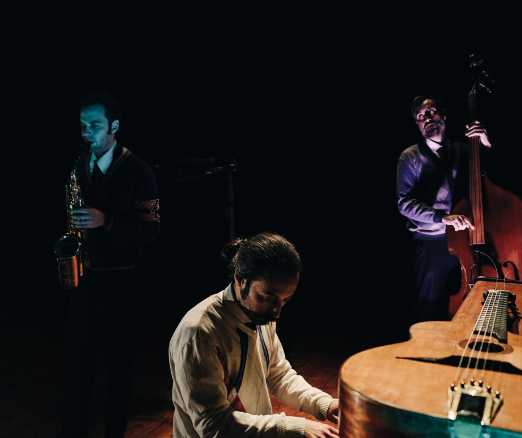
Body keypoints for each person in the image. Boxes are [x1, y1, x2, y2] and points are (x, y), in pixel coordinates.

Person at [58, 91, 160, 438]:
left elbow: (152, 229)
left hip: (122, 285)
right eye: (83, 126)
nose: (87, 132)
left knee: (118, 373)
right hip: (85, 282)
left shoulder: (139, 171)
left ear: (114, 126)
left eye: (95, 125)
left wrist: (108, 222)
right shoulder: (78, 164)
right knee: (79, 372)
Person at [169, 232, 340, 437]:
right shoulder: (199, 332)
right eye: (268, 297)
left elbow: (279, 375)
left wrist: (325, 404)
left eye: (285, 300)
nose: (277, 311)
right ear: (241, 280)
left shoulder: (261, 315)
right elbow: (213, 426)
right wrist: (296, 427)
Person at [396, 95, 492, 323]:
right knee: (430, 305)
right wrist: (443, 218)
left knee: (466, 302)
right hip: (431, 243)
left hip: (465, 239)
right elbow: (404, 203)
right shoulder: (409, 157)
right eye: (420, 116)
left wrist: (485, 144)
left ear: (444, 116)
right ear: (418, 125)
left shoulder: (462, 150)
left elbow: (492, 177)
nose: (427, 118)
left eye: (431, 112)